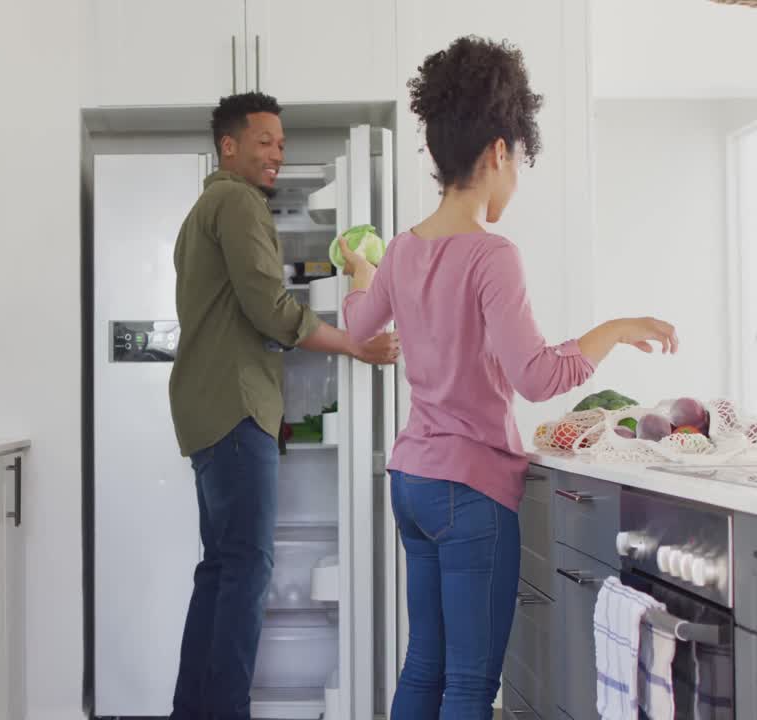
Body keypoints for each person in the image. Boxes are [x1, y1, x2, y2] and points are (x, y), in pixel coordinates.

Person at [338, 36, 679, 719]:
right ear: (498, 151)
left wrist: (360, 269)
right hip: (470, 492)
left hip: (413, 483)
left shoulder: (402, 251)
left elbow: (355, 326)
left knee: (424, 667)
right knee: (469, 684)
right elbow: (537, 376)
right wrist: (615, 328)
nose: (516, 178)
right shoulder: (493, 256)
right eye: (519, 162)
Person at [167, 91, 400, 720]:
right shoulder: (239, 202)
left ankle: (194, 710)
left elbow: (249, 302)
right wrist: (356, 343)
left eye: (281, 144)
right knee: (245, 570)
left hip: (205, 410)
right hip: (236, 407)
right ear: (229, 146)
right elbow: (270, 310)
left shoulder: (200, 212)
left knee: (219, 569)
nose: (276, 153)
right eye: (264, 141)